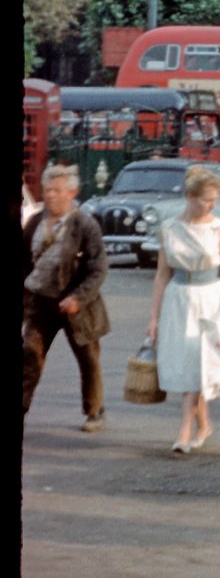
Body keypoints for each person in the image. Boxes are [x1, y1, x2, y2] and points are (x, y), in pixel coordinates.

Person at [146, 165, 220, 453]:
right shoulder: (169, 228)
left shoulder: (219, 228)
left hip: (211, 299)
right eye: (206, 199)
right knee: (188, 366)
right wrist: (153, 316)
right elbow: (162, 274)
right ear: (189, 196)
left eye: (215, 199)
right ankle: (204, 425)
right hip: (179, 300)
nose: (211, 205)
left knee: (199, 363)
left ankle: (184, 432)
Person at [23, 163, 110, 433]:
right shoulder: (36, 221)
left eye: (57, 191)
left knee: (87, 358)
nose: (50, 196)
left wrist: (77, 298)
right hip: (41, 302)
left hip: (76, 306)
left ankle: (94, 410)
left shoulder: (85, 224)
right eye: (47, 190)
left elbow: (98, 268)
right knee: (29, 355)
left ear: (71, 192)